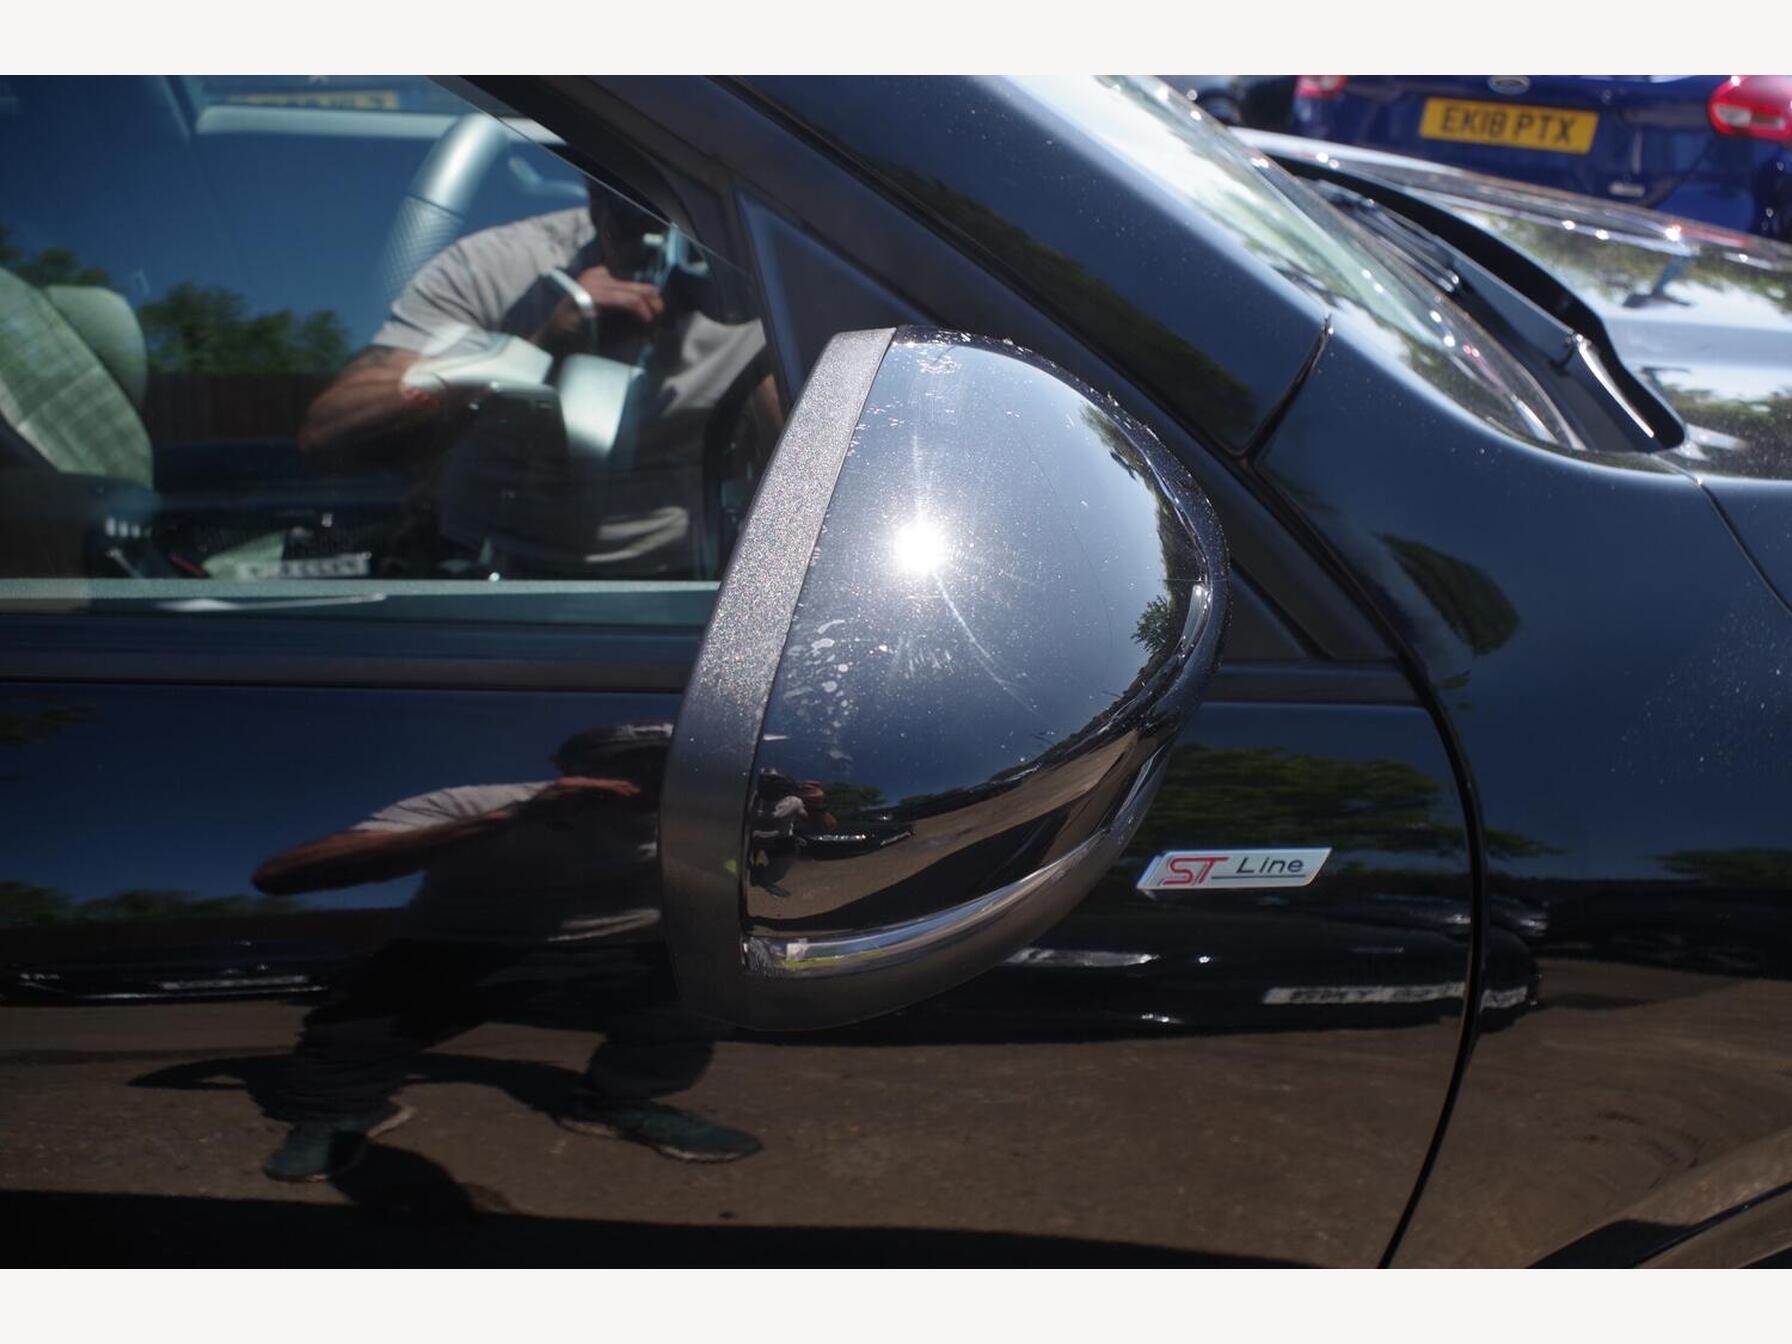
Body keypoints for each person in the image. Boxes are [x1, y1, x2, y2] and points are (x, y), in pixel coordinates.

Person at [253, 720, 761, 1183]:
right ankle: (340, 1112)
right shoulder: (475, 802)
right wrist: (509, 819)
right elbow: (282, 875)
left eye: (673, 766)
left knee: (697, 987)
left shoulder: (710, 820)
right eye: (630, 765)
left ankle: (620, 1102)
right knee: (356, 1031)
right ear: (571, 769)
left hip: (616, 952)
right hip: (455, 949)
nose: (651, 780)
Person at [298, 181, 779, 576]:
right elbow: (330, 433)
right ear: (595, 200)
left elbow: (802, 455)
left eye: (687, 214)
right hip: (486, 573)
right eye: (633, 213)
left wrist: (763, 323)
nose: (660, 243)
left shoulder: (762, 280)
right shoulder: (496, 268)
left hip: (678, 584)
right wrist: (535, 350)